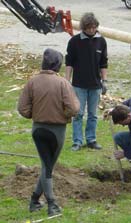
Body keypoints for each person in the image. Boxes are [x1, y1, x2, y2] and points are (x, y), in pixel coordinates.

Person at [18, 48, 80, 216]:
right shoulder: (62, 83)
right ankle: (52, 204)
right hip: (56, 130)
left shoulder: (32, 81)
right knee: (48, 166)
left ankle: (34, 200)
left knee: (47, 165)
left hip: (38, 129)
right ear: (58, 65)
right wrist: (63, 115)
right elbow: (74, 108)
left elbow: (22, 108)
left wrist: (35, 114)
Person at [65, 12, 108, 151]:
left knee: (93, 115)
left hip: (95, 85)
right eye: (88, 27)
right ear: (83, 27)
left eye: (94, 27)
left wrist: (105, 80)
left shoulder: (101, 41)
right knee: (78, 114)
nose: (91, 30)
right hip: (79, 84)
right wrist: (67, 80)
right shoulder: (74, 41)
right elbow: (69, 63)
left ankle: (91, 139)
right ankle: (77, 141)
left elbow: (103, 63)